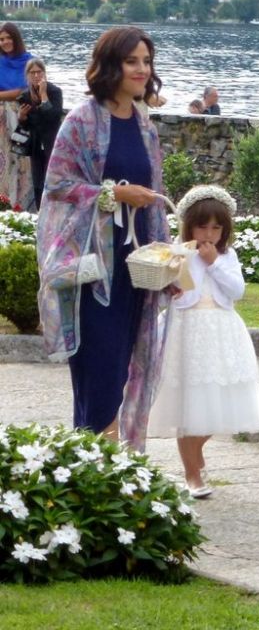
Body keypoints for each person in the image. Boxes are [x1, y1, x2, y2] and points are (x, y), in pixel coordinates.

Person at [35, 26, 171, 450]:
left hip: (137, 270)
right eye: (132, 61)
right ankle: (100, 468)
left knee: (128, 367)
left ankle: (112, 468)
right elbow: (56, 187)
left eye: (146, 61)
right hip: (93, 273)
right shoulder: (81, 120)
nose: (141, 70)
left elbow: (155, 197)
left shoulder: (145, 123)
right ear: (111, 64)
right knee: (100, 371)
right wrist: (113, 194)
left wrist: (169, 261)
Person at [147, 185, 259, 498]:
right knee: (188, 403)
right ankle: (192, 473)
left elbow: (237, 291)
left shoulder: (227, 256)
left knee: (218, 399)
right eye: (203, 225)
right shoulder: (178, 253)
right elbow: (170, 292)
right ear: (188, 225)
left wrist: (214, 262)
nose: (209, 233)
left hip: (221, 330)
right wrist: (171, 281)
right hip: (186, 330)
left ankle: (196, 456)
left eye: (217, 227)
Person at [16, 57, 64, 210]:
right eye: (32, 73)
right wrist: (22, 118)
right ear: (27, 75)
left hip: (52, 142)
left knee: (52, 179)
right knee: (37, 181)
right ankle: (39, 212)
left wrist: (44, 96)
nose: (36, 76)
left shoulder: (55, 92)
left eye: (39, 72)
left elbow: (54, 117)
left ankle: (54, 210)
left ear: (44, 73)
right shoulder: (24, 96)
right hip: (36, 144)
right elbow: (29, 124)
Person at [0, 22, 35, 210]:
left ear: (16, 39)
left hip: (22, 118)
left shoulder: (30, 62)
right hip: (0, 122)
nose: (5, 42)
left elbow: (25, 91)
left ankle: (20, 206)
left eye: (9, 38)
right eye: (1, 39)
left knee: (20, 164)